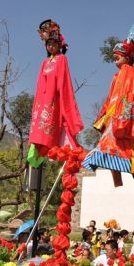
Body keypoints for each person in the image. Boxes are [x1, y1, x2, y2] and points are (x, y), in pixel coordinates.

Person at [81, 26, 134, 187]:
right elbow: (110, 99)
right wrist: (102, 116)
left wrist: (127, 118)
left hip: (123, 116)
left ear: (128, 57)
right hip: (112, 116)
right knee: (107, 144)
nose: (115, 58)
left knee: (114, 145)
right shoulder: (116, 76)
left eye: (119, 55)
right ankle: (116, 179)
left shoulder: (133, 73)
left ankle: (123, 172)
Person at [27, 19, 83, 167]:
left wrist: (60, 101)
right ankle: (38, 149)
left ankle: (50, 148)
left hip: (54, 100)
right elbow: (40, 85)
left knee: (51, 126)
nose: (51, 46)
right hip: (42, 101)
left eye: (54, 44)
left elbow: (64, 82)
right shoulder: (45, 62)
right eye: (48, 44)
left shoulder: (61, 59)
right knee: (39, 126)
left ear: (59, 45)